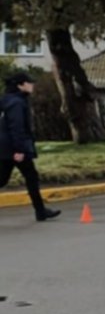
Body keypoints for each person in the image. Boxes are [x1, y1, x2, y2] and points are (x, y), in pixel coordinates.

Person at [0, 71, 60, 221]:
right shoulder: (16, 103)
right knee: (23, 177)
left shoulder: (7, 100)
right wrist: (19, 149)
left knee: (28, 176)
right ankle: (40, 211)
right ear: (20, 85)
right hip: (13, 148)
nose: (32, 85)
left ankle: (41, 211)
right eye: (29, 82)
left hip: (6, 147)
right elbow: (17, 127)